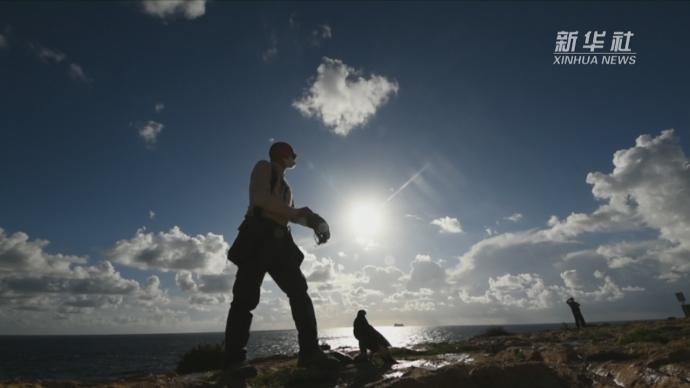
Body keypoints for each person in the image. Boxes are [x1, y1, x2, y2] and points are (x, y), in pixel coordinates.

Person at [224, 141, 340, 376]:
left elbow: (291, 215)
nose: (295, 157)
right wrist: (298, 213)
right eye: (292, 153)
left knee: (299, 293)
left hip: (279, 241)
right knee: (245, 299)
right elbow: (260, 199)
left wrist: (315, 222)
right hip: (257, 236)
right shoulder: (263, 168)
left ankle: (309, 353)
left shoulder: (287, 186)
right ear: (282, 155)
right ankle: (233, 362)